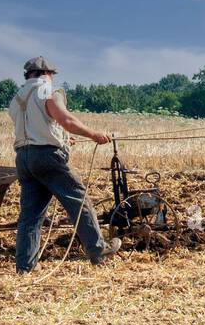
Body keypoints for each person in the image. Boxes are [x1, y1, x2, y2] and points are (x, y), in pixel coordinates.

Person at [7, 56, 121, 272]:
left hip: (23, 158)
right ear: (48, 74)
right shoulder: (47, 90)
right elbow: (65, 119)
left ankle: (25, 266)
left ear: (28, 75)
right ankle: (98, 249)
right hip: (46, 157)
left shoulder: (17, 98)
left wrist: (61, 139)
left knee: (30, 216)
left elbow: (36, 127)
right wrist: (94, 134)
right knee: (78, 198)